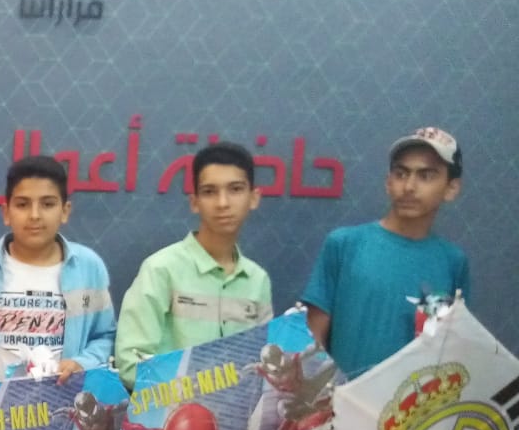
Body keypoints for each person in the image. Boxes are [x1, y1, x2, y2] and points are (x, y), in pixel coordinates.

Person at [301, 127, 470, 379]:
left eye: (426, 175)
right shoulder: (344, 244)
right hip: (340, 400)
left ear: (451, 188)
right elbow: (311, 342)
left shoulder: (454, 262)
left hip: (411, 401)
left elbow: (451, 351)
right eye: (401, 173)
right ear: (388, 182)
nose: (409, 186)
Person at [113, 142, 271, 388]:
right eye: (209, 192)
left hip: (239, 411)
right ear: (194, 202)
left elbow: (262, 365)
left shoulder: (258, 280)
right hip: (170, 411)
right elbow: (130, 363)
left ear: (253, 198)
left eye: (235, 189)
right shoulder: (161, 269)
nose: (222, 203)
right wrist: (193, 393)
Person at [0, 155, 114, 385]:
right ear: (6, 212)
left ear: (65, 211)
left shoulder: (89, 268)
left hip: (62, 399)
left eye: (48, 204)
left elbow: (105, 336)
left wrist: (82, 363)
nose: (35, 215)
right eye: (23, 204)